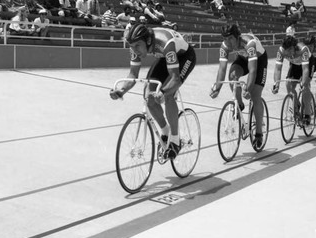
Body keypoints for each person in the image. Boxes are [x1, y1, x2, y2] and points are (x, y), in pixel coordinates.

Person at [109, 24, 197, 160]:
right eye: (131, 47)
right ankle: (165, 132)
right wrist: (121, 91)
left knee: (167, 94)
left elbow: (175, 78)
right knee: (149, 97)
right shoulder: (135, 45)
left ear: (148, 41)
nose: (134, 50)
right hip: (164, 58)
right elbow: (133, 75)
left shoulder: (165, 43)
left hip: (185, 56)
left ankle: (175, 140)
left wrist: (163, 91)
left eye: (137, 46)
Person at [209, 24, 268, 149]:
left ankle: (258, 133)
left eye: (230, 38)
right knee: (232, 76)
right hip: (242, 59)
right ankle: (240, 104)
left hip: (259, 61)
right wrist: (217, 88)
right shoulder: (225, 46)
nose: (227, 42)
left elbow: (253, 70)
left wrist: (249, 89)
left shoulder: (249, 43)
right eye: (225, 39)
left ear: (237, 37)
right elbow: (222, 69)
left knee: (255, 95)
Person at [271, 35, 313, 125]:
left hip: (306, 65)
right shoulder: (281, 51)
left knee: (305, 87)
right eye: (287, 51)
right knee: (288, 84)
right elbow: (278, 69)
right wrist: (276, 84)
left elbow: (305, 70)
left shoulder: (303, 49)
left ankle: (307, 114)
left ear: (294, 47)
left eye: (291, 50)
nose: (289, 53)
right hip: (294, 65)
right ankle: (296, 103)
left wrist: (304, 83)